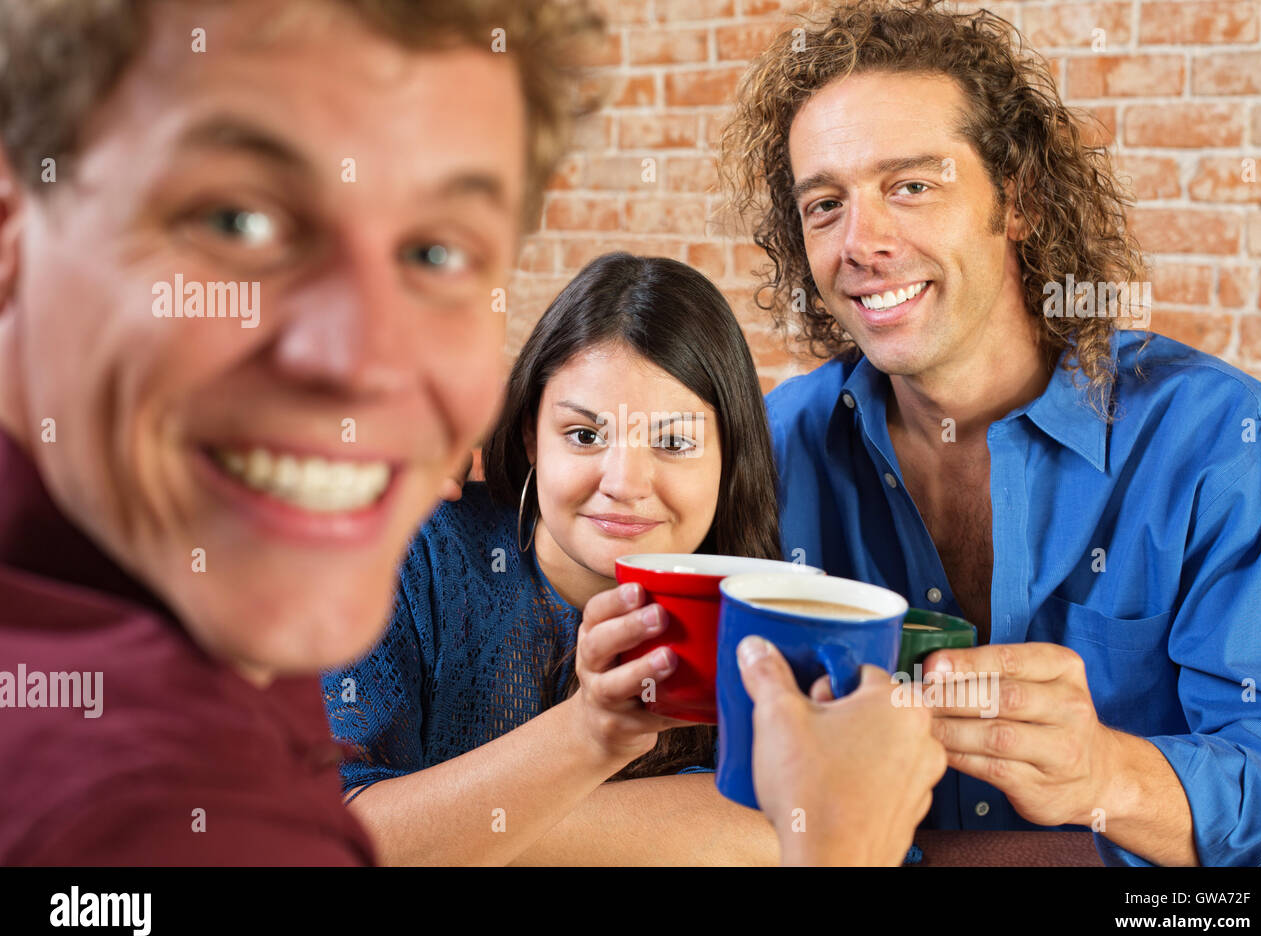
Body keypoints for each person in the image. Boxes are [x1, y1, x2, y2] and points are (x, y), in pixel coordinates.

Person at [0, 0, 940, 867]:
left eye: (434, 253)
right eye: (237, 220)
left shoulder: (234, 616)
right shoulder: (133, 789)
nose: (364, 364)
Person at [720, 0, 1261, 867]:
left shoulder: (1218, 444)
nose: (861, 242)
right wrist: (502, 495)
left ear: (1019, 199)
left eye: (911, 185)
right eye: (825, 204)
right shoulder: (778, 447)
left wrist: (1110, 774)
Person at [321, 252, 785, 865]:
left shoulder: (772, 615)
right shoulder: (418, 557)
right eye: (585, 435)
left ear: (729, 458)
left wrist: (456, 838)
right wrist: (591, 735)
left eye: (673, 441)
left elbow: (826, 831)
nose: (624, 481)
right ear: (530, 437)